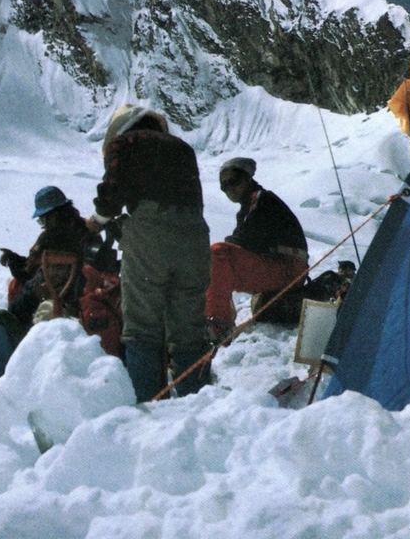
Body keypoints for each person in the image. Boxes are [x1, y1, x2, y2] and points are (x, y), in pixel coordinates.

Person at [86, 104, 212, 403]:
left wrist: (96, 222)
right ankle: (197, 403)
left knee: (143, 325)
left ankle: (149, 404)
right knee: (189, 327)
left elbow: (112, 194)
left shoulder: (126, 142)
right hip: (194, 235)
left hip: (151, 235)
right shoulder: (182, 148)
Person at [0, 186, 116, 383]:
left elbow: (29, 278)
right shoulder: (88, 233)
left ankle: (0, 386)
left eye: (42, 219)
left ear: (51, 216)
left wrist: (13, 263)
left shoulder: (49, 243)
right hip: (83, 317)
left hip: (50, 323)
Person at [204, 157, 309, 336]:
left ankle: (218, 323)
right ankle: (213, 316)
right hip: (283, 267)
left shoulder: (260, 199)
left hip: (288, 267)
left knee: (218, 254)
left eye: (233, 181)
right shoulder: (250, 205)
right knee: (215, 261)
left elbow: (243, 239)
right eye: (224, 186)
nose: (229, 189)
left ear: (247, 178)